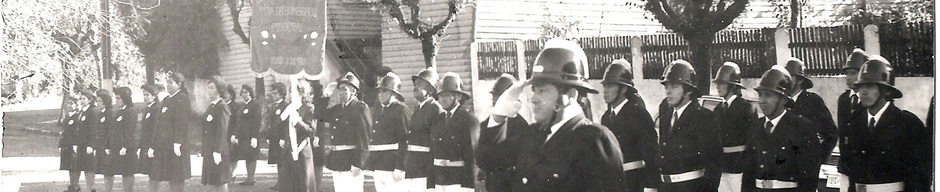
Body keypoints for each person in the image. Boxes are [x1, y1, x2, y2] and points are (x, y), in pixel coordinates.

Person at [484, 39, 625, 191]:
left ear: (569, 95)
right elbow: (489, 160)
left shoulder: (595, 140)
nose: (533, 98)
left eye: (542, 91)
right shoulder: (533, 134)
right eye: (534, 90)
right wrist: (499, 114)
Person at [841, 56, 930, 191]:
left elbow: (920, 177)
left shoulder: (907, 124)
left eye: (870, 86)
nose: (863, 92)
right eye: (860, 86)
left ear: (886, 90)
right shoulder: (855, 123)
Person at [741, 66, 820, 192]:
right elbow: (748, 176)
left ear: (783, 99)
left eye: (768, 95)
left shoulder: (801, 127)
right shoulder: (756, 126)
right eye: (760, 95)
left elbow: (809, 179)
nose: (762, 101)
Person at [653, 60, 721, 192]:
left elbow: (714, 164)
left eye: (674, 86)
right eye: (666, 86)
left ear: (688, 90)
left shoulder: (703, 117)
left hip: (692, 187)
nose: (668, 91)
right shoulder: (665, 112)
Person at [598, 59, 657, 192]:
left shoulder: (638, 114)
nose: (605, 91)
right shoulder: (606, 118)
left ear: (624, 88)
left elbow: (651, 155)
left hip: (634, 183)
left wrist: (651, 187)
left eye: (611, 86)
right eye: (605, 86)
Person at [783, 58, 838, 177]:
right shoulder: (782, 103)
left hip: (807, 169)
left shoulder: (813, 102)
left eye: (789, 77)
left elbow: (831, 135)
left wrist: (818, 159)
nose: (785, 81)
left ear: (800, 80)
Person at [475, 73, 529, 192]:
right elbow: (480, 157)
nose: (494, 100)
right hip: (493, 184)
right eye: (494, 96)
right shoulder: (487, 124)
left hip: (511, 184)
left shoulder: (522, 126)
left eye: (499, 96)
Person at [429, 72, 479, 192]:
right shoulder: (437, 120)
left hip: (458, 181)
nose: (442, 99)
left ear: (458, 97)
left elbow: (471, 154)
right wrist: (430, 184)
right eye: (440, 96)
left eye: (446, 95)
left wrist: (468, 186)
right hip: (439, 180)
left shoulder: (468, 119)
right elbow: (432, 154)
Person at [712, 62, 757, 192]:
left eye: (721, 83)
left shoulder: (746, 108)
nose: (717, 86)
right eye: (717, 83)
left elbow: (752, 142)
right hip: (722, 168)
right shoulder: (717, 109)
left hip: (739, 168)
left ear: (732, 85)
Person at [326, 72, 372, 192]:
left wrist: (359, 163)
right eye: (339, 90)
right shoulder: (337, 109)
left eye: (344, 89)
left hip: (351, 160)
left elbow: (364, 138)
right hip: (337, 159)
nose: (340, 93)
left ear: (353, 91)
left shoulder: (360, 108)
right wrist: (326, 95)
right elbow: (320, 114)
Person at [367, 72, 413, 192]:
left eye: (385, 91)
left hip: (393, 166)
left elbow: (405, 141)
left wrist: (401, 167)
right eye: (380, 91)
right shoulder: (380, 111)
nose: (380, 94)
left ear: (394, 93)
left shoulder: (401, 110)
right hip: (379, 165)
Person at [405, 67, 444, 191]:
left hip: (425, 167)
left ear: (431, 89)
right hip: (413, 165)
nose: (415, 87)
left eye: (420, 84)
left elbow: (436, 142)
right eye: (415, 84)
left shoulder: (434, 108)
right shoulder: (418, 108)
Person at [276, 81, 318, 192]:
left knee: (303, 185)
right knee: (287, 185)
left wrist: (298, 122)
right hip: (288, 151)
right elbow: (279, 125)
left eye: (294, 91)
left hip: (302, 151)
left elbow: (311, 131)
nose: (292, 94)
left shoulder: (309, 108)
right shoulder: (289, 107)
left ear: (302, 92)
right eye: (291, 91)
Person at [155, 73, 193, 192]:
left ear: (179, 84)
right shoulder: (167, 100)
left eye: (171, 82)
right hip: (166, 144)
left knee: (177, 176)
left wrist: (178, 142)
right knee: (171, 176)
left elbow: (182, 123)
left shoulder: (183, 98)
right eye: (167, 82)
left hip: (177, 144)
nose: (168, 85)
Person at [835, 48, 867, 192]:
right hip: (845, 165)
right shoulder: (843, 99)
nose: (848, 77)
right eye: (846, 73)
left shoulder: (869, 101)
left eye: (853, 73)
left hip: (863, 167)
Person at [104, 87, 139, 192]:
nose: (116, 100)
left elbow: (130, 130)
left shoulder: (131, 112)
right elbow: (112, 130)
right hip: (115, 147)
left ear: (125, 99)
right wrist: (108, 145)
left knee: (127, 172)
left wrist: (125, 146)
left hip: (126, 148)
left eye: (119, 98)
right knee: (110, 170)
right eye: (116, 98)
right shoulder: (119, 112)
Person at [201, 76, 232, 191]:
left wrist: (218, 151)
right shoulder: (211, 107)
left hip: (218, 150)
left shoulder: (222, 107)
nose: (208, 91)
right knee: (214, 180)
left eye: (211, 88)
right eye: (208, 88)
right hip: (210, 148)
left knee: (220, 180)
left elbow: (222, 130)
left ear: (219, 90)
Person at [231, 84, 262, 185]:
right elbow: (238, 122)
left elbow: (257, 122)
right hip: (243, 136)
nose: (244, 94)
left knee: (252, 156)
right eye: (242, 92)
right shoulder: (242, 105)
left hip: (251, 135)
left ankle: (251, 178)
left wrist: (254, 137)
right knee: (247, 156)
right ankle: (249, 178)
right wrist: (236, 134)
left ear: (250, 93)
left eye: (246, 92)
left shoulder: (255, 105)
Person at [138, 84, 164, 191]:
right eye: (144, 95)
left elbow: (155, 129)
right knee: (149, 170)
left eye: (147, 95)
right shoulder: (147, 109)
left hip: (153, 144)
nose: (145, 97)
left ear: (154, 96)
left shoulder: (156, 109)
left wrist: (153, 146)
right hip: (146, 144)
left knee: (155, 172)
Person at [267, 82, 290, 190]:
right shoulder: (273, 106)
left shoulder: (285, 106)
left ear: (281, 94)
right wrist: (268, 136)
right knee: (277, 160)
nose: (273, 95)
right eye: (272, 92)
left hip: (281, 137)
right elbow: (271, 122)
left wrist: (283, 138)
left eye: (275, 93)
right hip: (274, 137)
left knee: (283, 161)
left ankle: (283, 182)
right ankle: (280, 182)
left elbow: (286, 124)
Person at [76, 89, 99, 192]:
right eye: (80, 98)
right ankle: (88, 187)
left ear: (90, 100)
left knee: (89, 167)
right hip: (81, 143)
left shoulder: (92, 111)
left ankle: (91, 188)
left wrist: (91, 145)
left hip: (88, 144)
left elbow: (93, 129)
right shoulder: (82, 111)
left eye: (84, 98)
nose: (81, 100)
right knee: (84, 166)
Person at [93, 89, 115, 190]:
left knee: (108, 171)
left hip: (106, 146)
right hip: (99, 145)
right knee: (103, 170)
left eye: (100, 101)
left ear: (106, 101)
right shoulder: (100, 114)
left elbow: (110, 130)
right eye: (97, 101)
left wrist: (108, 145)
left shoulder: (110, 113)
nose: (98, 103)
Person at [60, 94, 82, 192]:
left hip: (74, 144)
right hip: (66, 144)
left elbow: (78, 132)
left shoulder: (78, 117)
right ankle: (71, 184)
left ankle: (75, 185)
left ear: (77, 105)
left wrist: (76, 144)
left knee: (75, 165)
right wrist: (61, 144)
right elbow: (64, 132)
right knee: (69, 165)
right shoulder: (67, 117)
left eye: (72, 103)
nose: (69, 105)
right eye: (68, 103)